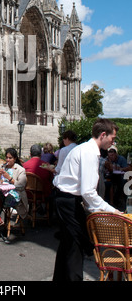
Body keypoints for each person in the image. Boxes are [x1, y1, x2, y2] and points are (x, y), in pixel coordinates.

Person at [52, 118, 122, 282]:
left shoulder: (85, 148)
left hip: (65, 198)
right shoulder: (89, 152)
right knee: (76, 245)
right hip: (67, 200)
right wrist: (111, 210)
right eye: (112, 138)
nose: (113, 142)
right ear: (103, 135)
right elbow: (88, 192)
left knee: (68, 243)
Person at [0, 147, 28, 220]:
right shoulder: (2, 167)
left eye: (10, 158)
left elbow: (21, 186)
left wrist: (9, 178)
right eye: (7, 158)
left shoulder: (20, 169)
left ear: (14, 159)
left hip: (15, 193)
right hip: (1, 192)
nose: (8, 160)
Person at [103, 144, 128, 211]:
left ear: (116, 153)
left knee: (123, 182)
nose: (111, 153)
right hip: (108, 178)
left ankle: (121, 205)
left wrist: (121, 169)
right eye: (110, 152)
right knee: (109, 183)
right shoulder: (105, 160)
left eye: (113, 152)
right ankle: (111, 204)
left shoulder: (121, 159)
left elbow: (128, 168)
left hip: (120, 178)